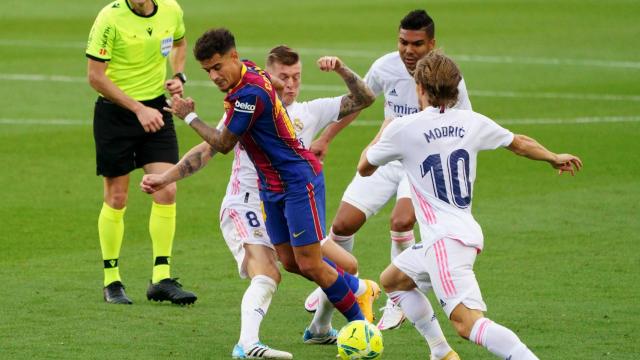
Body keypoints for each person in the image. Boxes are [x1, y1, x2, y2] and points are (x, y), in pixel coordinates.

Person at [140, 28, 370, 357]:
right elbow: (207, 149)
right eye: (208, 71)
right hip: (253, 198)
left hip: (294, 184)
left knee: (327, 264)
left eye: (296, 77)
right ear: (268, 71)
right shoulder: (248, 81)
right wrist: (166, 177)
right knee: (282, 268)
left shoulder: (256, 99)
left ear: (234, 58)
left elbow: (220, 145)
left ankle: (353, 322)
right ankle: (256, 341)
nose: (289, 84)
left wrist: (188, 114)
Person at [358, 51, 582, 360]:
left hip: (444, 241)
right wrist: (553, 157)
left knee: (468, 324)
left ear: (419, 88)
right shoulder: (471, 121)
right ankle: (440, 352)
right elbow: (517, 143)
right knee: (393, 280)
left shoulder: (404, 128)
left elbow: (364, 167)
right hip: (459, 233)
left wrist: (385, 129)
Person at [306, 8, 468, 341]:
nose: (408, 50)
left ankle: (396, 298)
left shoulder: (449, 79)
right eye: (403, 42)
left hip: (420, 164)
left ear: (433, 44)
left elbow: (463, 128)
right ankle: (334, 286)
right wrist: (325, 138)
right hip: (386, 155)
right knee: (342, 226)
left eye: (417, 44)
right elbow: (359, 101)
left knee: (401, 221)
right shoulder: (385, 67)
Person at [86, 0, 196, 305]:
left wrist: (179, 75)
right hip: (115, 114)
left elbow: (180, 41)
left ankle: (161, 278)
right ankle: (112, 281)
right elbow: (95, 76)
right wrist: (137, 109)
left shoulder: (171, 9)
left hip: (156, 110)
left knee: (167, 189)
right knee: (117, 197)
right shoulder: (110, 17)